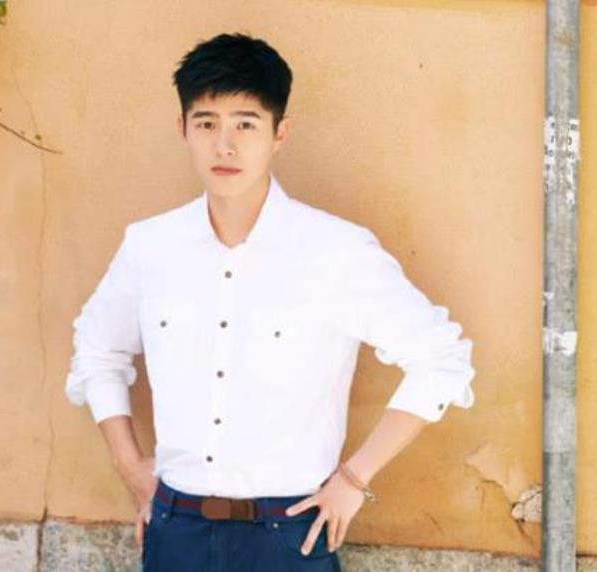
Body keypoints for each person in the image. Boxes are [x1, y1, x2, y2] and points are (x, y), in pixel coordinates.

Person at [64, 32, 476, 572]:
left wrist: (354, 478)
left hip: (289, 534)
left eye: (245, 124)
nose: (224, 145)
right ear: (182, 128)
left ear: (280, 133)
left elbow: (442, 359)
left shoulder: (336, 250)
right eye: (206, 124)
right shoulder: (150, 246)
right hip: (175, 529)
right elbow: (97, 350)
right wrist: (130, 467)